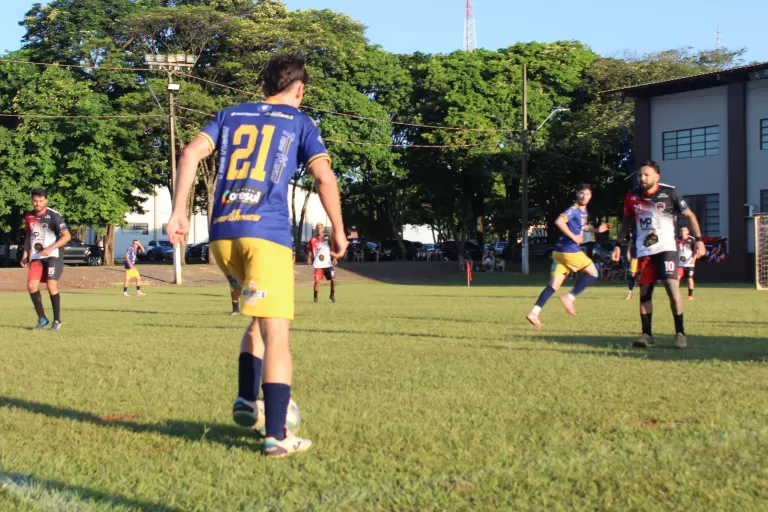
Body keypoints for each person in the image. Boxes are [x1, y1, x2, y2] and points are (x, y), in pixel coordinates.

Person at [165, 53, 347, 458]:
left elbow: (191, 153)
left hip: (223, 235)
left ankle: (248, 400)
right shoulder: (301, 121)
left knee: (258, 320)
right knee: (278, 333)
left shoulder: (230, 114)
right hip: (265, 234)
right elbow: (324, 177)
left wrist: (179, 211)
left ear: (263, 87)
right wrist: (337, 228)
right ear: (299, 90)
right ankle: (278, 435)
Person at [611, 160, 706, 349]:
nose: (642, 178)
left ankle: (680, 333)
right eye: (640, 175)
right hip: (644, 251)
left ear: (657, 177)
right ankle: (647, 335)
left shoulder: (670, 193)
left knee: (672, 288)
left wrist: (699, 240)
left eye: (646, 175)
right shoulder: (631, 196)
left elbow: (690, 216)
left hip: (667, 248)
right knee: (644, 293)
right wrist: (617, 244)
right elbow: (626, 222)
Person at [527, 184, 610, 326]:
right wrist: (574, 237)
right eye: (581, 193)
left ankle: (534, 313)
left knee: (554, 285)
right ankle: (570, 297)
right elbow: (559, 221)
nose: (584, 196)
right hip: (568, 250)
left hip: (558, 252)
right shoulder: (574, 209)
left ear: (591, 196)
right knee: (593, 273)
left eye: (587, 194)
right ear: (577, 194)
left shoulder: (583, 211)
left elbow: (582, 226)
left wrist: (596, 230)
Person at [20, 188, 71, 331]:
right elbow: (29, 237)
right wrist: (25, 256)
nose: (37, 203)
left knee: (51, 285)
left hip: (53, 255)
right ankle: (42, 319)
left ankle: (57, 321)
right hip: (37, 257)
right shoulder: (29, 216)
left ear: (46, 200)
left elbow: (66, 236)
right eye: (35, 201)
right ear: (32, 200)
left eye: (41, 201)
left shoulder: (54, 216)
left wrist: (50, 248)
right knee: (31, 285)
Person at [307, 223, 337, 303]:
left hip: (328, 264)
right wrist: (309, 257)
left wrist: (334, 257)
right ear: (315, 229)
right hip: (318, 264)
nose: (318, 229)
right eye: (317, 228)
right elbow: (309, 249)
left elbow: (333, 248)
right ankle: (315, 298)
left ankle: (332, 295)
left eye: (320, 228)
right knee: (317, 282)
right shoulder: (313, 239)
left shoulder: (328, 237)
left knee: (333, 280)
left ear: (323, 228)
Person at [677, 225, 698, 300]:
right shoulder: (677, 239)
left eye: (684, 230)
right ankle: (677, 294)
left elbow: (696, 251)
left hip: (689, 263)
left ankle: (690, 295)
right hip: (680, 263)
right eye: (681, 230)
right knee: (677, 278)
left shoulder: (692, 239)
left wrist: (693, 260)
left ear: (688, 232)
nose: (682, 232)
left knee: (689, 278)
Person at [624, 230, 639, 300]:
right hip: (636, 256)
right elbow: (631, 242)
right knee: (632, 274)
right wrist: (628, 252)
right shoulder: (636, 232)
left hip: (645, 255)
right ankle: (630, 293)